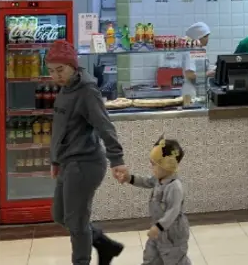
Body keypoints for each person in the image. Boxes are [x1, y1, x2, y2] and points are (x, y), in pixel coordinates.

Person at [46, 40, 128, 265]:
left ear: (73, 66)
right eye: (51, 71)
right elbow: (61, 128)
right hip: (67, 161)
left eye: (60, 70)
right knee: (60, 215)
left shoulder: (87, 90)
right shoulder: (66, 88)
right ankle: (104, 244)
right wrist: (55, 160)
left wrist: (117, 159)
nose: (56, 76)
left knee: (77, 223)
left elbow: (104, 125)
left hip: (85, 163)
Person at [118, 137, 191, 265]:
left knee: (174, 260)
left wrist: (159, 226)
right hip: (157, 232)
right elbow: (145, 181)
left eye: (154, 164)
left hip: (173, 236)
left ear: (168, 165)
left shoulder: (175, 187)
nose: (151, 167)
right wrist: (129, 178)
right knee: (150, 257)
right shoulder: (158, 179)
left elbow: (173, 211)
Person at [183, 22, 213, 101]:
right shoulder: (191, 51)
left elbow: (201, 69)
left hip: (199, 91)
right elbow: (190, 75)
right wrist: (209, 73)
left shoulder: (200, 51)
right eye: (205, 36)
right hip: (191, 93)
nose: (208, 39)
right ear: (198, 37)